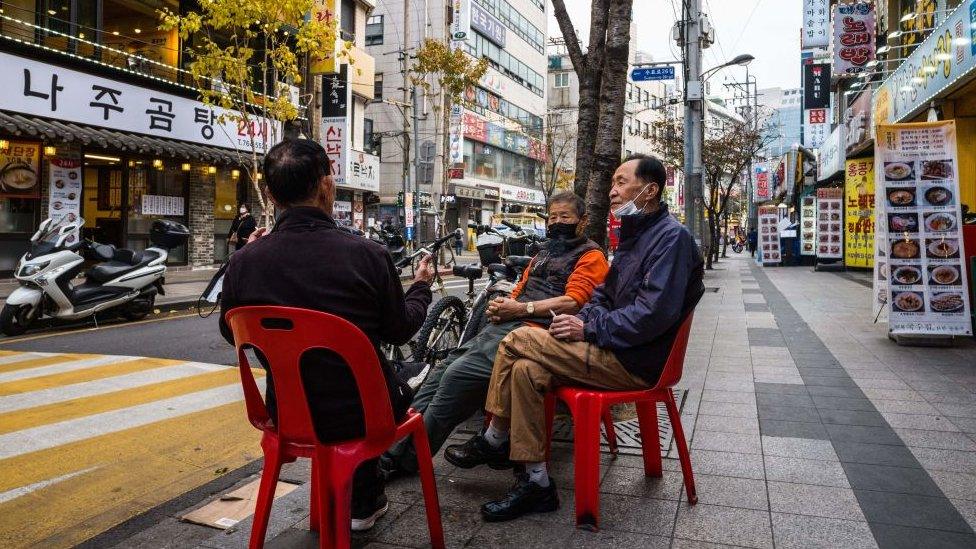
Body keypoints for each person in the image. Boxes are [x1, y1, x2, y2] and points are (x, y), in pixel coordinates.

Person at [445, 154, 705, 522]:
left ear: (650, 190)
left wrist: (588, 327)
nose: (613, 192)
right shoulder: (635, 237)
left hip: (636, 361)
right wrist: (583, 321)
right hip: (611, 346)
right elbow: (603, 296)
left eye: (621, 182)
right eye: (613, 183)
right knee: (524, 372)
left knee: (517, 339)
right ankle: (537, 482)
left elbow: (653, 315)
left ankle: (494, 438)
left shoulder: (671, 240)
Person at [218, 139, 435, 531]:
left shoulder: (243, 262)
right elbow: (400, 329)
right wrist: (421, 287)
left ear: (269, 194)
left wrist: (247, 256)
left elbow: (228, 329)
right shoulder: (368, 255)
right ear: (326, 187)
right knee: (397, 372)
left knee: (352, 379)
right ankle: (364, 503)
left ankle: (361, 501)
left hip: (285, 415)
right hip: (363, 415)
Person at [379, 192, 609, 479]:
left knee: (456, 378)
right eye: (553, 217)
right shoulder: (543, 253)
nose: (558, 222)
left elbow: (574, 302)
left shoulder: (591, 256)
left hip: (538, 335)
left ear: (582, 221)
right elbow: (519, 289)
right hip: (508, 328)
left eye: (565, 217)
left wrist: (521, 308)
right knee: (439, 371)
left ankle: (409, 458)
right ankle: (391, 448)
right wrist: (502, 306)